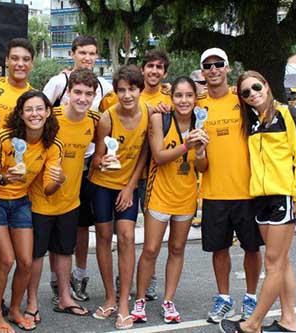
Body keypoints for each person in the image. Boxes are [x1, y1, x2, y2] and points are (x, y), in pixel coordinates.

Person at [220, 71, 296, 333]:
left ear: (267, 85)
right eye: (246, 92)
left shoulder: (287, 113)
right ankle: (288, 321)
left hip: (283, 196)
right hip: (260, 199)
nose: (253, 94)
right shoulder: (254, 122)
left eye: (256, 87)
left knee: (273, 263)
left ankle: (253, 324)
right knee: (281, 262)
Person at [42, 35, 115, 305]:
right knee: (53, 224)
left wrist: (101, 155)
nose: (87, 57)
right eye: (82, 52)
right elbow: (41, 112)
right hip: (58, 163)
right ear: (72, 54)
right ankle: (55, 279)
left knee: (82, 225)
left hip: (87, 166)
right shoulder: (59, 82)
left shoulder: (105, 87)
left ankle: (80, 275)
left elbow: (111, 120)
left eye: (92, 53)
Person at [131, 76, 209, 324]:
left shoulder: (201, 121)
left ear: (195, 98)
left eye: (188, 95)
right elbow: (159, 156)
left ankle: (168, 300)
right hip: (159, 193)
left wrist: (200, 151)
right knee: (151, 249)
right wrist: (188, 145)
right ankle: (140, 299)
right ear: (171, 98)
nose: (184, 100)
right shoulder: (160, 118)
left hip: (186, 195)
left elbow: (203, 167)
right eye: (179, 96)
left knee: (177, 249)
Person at [26, 69, 99, 323]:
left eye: (88, 94)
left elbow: (96, 154)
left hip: (70, 202)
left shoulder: (93, 121)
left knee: (65, 251)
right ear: (67, 93)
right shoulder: (50, 118)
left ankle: (65, 298)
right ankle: (32, 302)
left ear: (94, 96)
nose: (82, 98)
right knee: (36, 255)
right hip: (40, 201)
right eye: (77, 92)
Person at [0, 90, 64, 333]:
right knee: (6, 260)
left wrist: (59, 180)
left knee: (25, 262)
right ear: (20, 114)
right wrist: (4, 178)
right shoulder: (5, 137)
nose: (35, 114)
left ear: (48, 112)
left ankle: (15, 310)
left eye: (39, 109)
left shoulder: (52, 144)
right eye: (29, 109)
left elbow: (49, 189)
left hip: (21, 203)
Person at [196, 48, 263, 323]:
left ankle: (250, 298)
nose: (213, 70)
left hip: (248, 191)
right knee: (219, 249)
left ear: (227, 69)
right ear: (202, 72)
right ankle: (224, 298)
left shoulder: (244, 100)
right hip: (214, 193)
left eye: (218, 64)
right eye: (208, 66)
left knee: (252, 248)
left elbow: (269, 108)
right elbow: (200, 165)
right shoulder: (198, 107)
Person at [89, 65, 149, 330]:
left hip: (128, 186)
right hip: (102, 184)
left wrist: (130, 186)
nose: (127, 95)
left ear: (140, 89)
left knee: (126, 236)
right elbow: (98, 157)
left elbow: (145, 154)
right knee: (103, 237)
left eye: (132, 89)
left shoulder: (149, 114)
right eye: (121, 90)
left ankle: (124, 302)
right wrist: (104, 162)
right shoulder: (107, 118)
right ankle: (110, 297)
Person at [135, 50, 173, 301]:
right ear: (142, 69)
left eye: (159, 67)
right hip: (125, 175)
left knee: (153, 237)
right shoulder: (129, 94)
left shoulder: (170, 99)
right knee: (125, 235)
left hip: (155, 175)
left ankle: (150, 278)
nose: (154, 71)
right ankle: (124, 277)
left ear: (165, 72)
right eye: (150, 66)